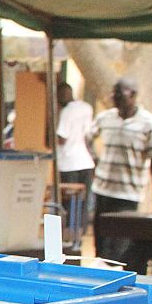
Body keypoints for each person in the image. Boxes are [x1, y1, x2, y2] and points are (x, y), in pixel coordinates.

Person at [89, 77, 152, 264]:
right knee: (100, 244)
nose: (114, 97)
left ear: (133, 95)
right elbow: (88, 137)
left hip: (128, 193)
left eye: (119, 93)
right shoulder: (105, 118)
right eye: (113, 93)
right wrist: (94, 159)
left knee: (119, 247)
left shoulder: (150, 123)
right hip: (102, 189)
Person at [53, 82, 94, 250]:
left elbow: (62, 138)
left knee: (67, 202)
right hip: (86, 161)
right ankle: (79, 236)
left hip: (68, 162)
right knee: (82, 202)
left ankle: (68, 238)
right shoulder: (86, 107)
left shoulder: (66, 111)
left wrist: (49, 135)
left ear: (62, 95)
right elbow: (87, 135)